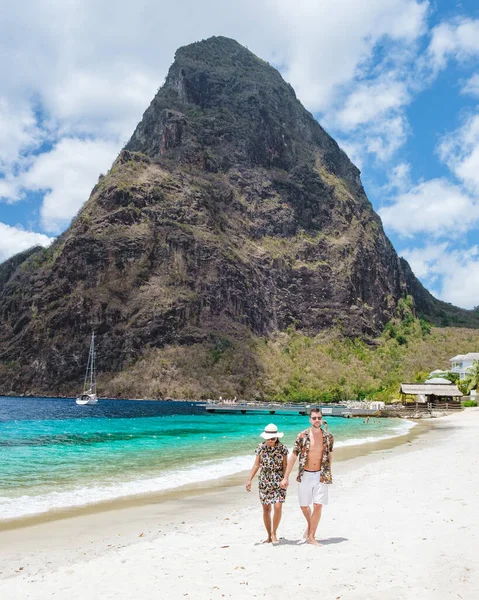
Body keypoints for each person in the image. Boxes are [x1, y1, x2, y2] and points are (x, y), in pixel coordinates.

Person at [280, 407, 334, 546]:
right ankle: (310, 527)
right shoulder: (302, 436)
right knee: (304, 506)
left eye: (319, 418)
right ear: (310, 419)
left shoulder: (328, 437)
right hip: (305, 475)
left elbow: (330, 454)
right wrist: (285, 477)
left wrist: (329, 471)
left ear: (322, 419)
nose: (317, 420)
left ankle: (311, 536)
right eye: (314, 418)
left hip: (321, 475)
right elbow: (293, 457)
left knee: (317, 505)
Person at [246, 423, 288, 545]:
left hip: (279, 479)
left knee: (278, 506)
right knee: (266, 509)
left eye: (273, 438)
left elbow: (285, 465)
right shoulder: (260, 447)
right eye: (268, 438)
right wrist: (249, 480)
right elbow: (256, 465)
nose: (270, 440)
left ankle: (274, 533)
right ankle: (269, 535)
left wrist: (285, 478)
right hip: (264, 480)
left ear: (277, 438)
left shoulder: (283, 448)